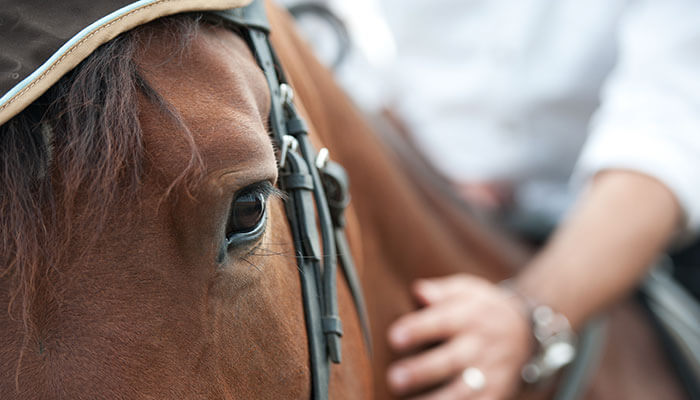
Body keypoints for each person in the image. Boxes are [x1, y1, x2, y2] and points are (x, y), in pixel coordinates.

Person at [281, 0, 700, 398]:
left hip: (604, 222)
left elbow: (668, 130)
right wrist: (422, 171)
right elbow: (338, 44)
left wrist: (530, 316)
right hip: (418, 186)